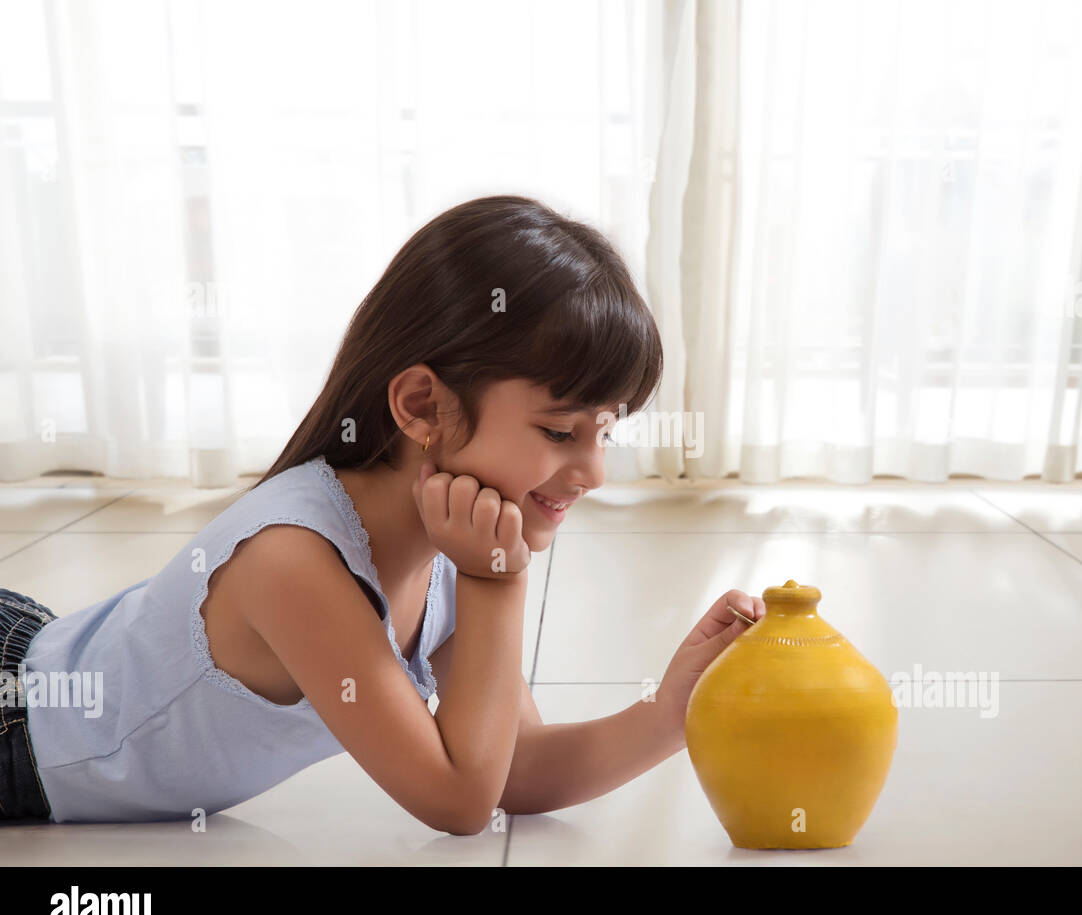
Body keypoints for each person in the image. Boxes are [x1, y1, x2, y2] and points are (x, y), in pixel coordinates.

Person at [2, 195, 765, 829]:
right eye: (561, 432)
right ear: (422, 404)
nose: (593, 471)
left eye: (605, 433)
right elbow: (459, 801)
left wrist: (673, 712)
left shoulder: (438, 551)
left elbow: (509, 769)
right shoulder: (295, 561)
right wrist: (496, 584)